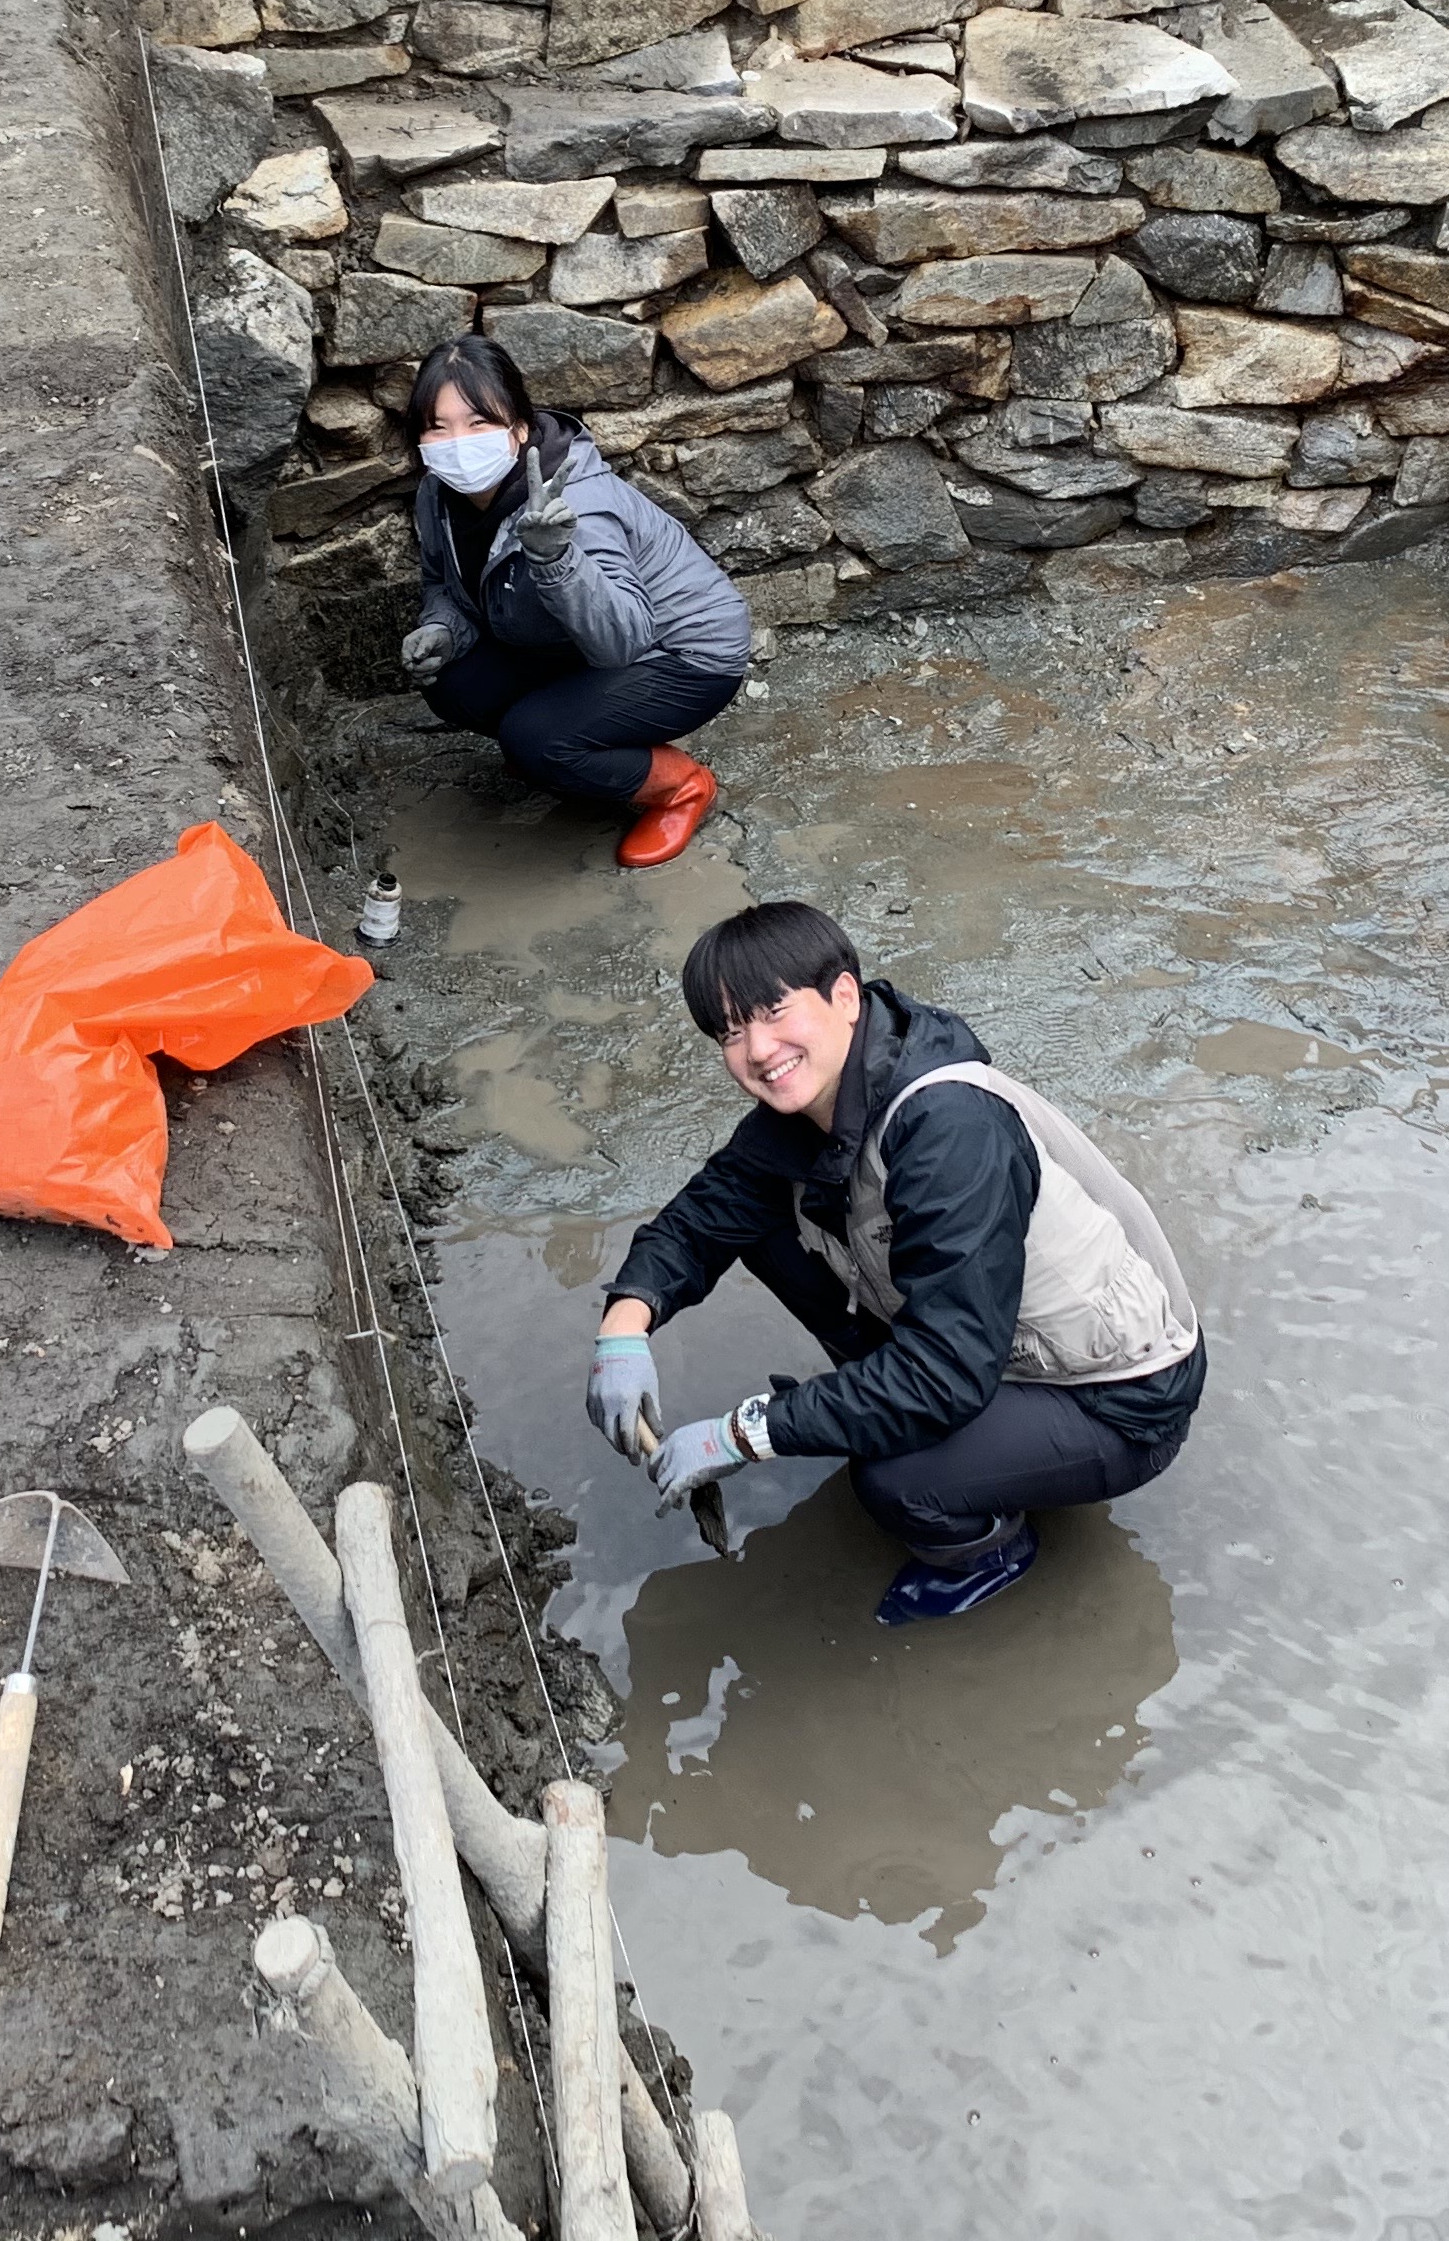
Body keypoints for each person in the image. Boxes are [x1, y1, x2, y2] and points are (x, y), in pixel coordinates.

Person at [585, 901, 1208, 1624]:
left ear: (844, 997)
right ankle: (920, 1421)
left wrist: (744, 1432)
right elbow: (699, 1219)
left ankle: (989, 1550)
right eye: (730, 1031)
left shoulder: (947, 1129)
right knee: (755, 1218)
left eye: (775, 1011)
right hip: (991, 1351)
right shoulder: (810, 1106)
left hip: (1117, 1396)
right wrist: (622, 1331)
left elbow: (945, 1373)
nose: (757, 1049)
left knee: (893, 1477)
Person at [400, 334, 751, 870]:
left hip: (681, 653)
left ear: (518, 429)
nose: (457, 443)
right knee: (453, 683)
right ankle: (559, 749)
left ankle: (678, 786)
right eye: (438, 426)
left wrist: (555, 559)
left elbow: (622, 641)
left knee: (535, 738)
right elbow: (442, 583)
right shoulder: (437, 494)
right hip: (568, 643)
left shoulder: (575, 502)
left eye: (478, 423)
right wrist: (442, 627)